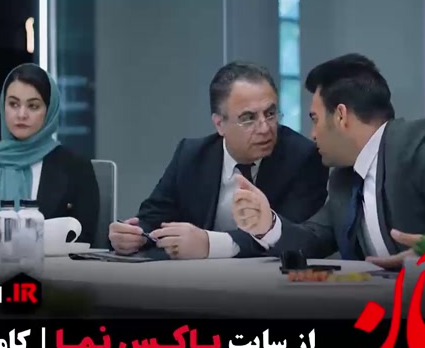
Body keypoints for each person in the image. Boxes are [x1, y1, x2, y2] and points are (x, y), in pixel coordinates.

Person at [231, 53, 425, 269]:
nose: (312, 134)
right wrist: (267, 224)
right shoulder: (344, 177)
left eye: (315, 119)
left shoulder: (418, 144)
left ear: (341, 116)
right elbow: (313, 241)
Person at [108, 61, 330, 259]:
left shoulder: (302, 158)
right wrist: (132, 236)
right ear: (219, 124)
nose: (265, 128)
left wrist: (210, 244)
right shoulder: (192, 155)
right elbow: (152, 219)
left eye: (270, 114)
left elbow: (293, 237)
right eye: (249, 118)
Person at [0, 63, 100, 245]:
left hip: (57, 264)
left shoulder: (77, 168)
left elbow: (86, 239)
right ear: (3, 106)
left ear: (49, 110)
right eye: (13, 104)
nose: (21, 114)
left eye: (33, 106)